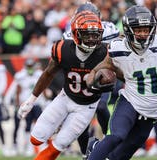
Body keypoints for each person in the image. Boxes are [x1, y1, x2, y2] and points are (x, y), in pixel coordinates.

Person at [85, 5, 157, 160]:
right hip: (129, 101)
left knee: (120, 156)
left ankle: (95, 147)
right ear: (129, 30)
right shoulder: (118, 48)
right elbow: (103, 66)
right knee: (116, 136)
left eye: (146, 29)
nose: (143, 34)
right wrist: (91, 78)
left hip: (152, 111)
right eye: (138, 30)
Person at [17, 10, 111, 160]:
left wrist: (111, 84)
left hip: (86, 107)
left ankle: (92, 147)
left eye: (95, 34)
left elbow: (122, 75)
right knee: (36, 138)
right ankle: (62, 124)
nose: (92, 39)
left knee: (58, 146)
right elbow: (48, 73)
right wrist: (31, 100)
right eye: (87, 34)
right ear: (75, 33)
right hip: (65, 98)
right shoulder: (63, 49)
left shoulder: (106, 52)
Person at [60, 2, 120, 158]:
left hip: (103, 74)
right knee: (81, 118)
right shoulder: (69, 34)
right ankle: (86, 151)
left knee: (101, 107)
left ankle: (111, 143)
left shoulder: (110, 29)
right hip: (83, 76)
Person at [12, 58, 44, 156]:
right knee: (28, 124)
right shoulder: (21, 76)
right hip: (26, 104)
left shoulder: (39, 74)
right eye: (28, 66)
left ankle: (42, 145)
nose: (30, 68)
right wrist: (17, 104)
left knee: (40, 124)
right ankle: (29, 147)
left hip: (37, 103)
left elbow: (44, 87)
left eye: (31, 66)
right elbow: (18, 91)